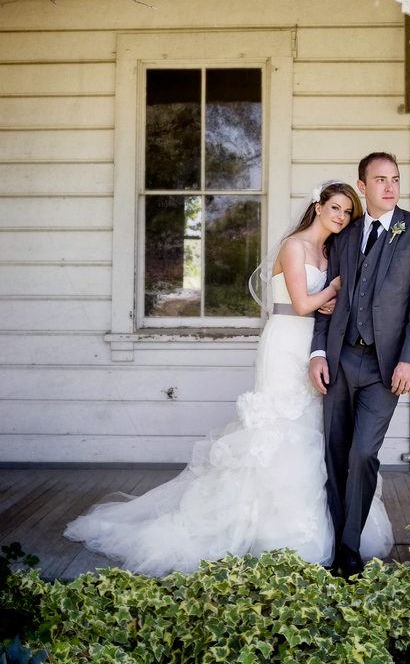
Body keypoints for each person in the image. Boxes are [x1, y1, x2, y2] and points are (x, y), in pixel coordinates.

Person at [64, 181, 393, 577]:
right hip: (286, 342)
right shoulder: (294, 247)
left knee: (316, 431)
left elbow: (323, 307)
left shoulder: (331, 251)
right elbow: (303, 303)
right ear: (318, 206)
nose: (341, 217)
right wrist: (338, 287)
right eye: (336, 208)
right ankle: (268, 532)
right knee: (278, 428)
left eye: (348, 213)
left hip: (317, 346)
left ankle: (326, 530)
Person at [310, 152, 410, 580]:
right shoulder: (344, 235)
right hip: (341, 359)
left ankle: (348, 548)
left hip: (385, 366)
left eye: (395, 179)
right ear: (362, 186)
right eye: (379, 180)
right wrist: (318, 353)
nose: (389, 187)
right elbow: (327, 303)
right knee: (335, 452)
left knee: (363, 453)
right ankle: (339, 539)